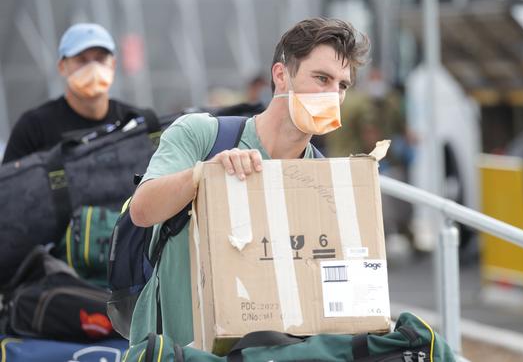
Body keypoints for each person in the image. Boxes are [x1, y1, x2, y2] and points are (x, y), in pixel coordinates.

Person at [127, 17, 369, 345]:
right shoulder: (201, 134)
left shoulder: (324, 183)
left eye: (342, 85)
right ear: (281, 76)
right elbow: (142, 211)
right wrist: (205, 174)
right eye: (322, 78)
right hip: (176, 349)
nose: (332, 94)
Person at [2, 23, 151, 164]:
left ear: (113, 64)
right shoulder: (34, 127)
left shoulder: (134, 121)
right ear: (62, 67)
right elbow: (9, 185)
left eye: (100, 58)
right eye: (81, 60)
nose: (93, 68)